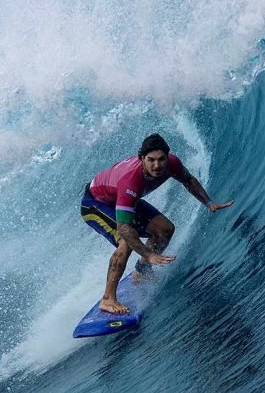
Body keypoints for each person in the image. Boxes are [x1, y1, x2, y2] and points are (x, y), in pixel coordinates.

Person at [80, 133, 233, 314]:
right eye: (151, 160)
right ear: (142, 159)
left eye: (161, 159)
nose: (157, 165)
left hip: (122, 200)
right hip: (96, 204)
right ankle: (108, 299)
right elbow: (123, 227)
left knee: (165, 229)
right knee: (126, 241)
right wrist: (149, 254)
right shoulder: (131, 180)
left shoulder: (172, 164)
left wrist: (208, 203)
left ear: (167, 157)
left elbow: (188, 180)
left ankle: (141, 271)